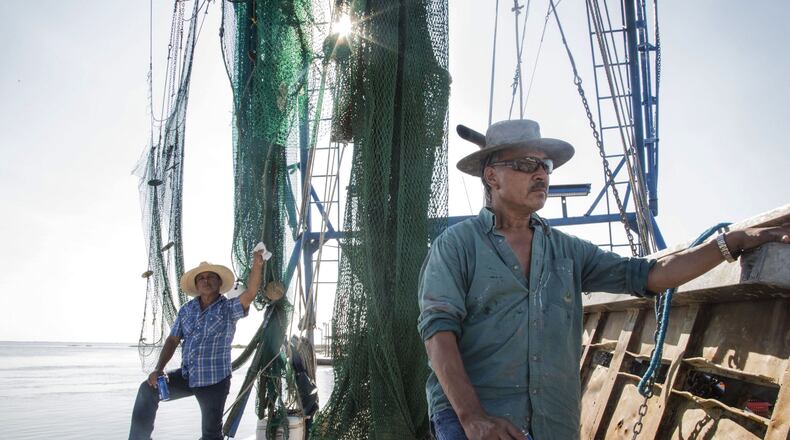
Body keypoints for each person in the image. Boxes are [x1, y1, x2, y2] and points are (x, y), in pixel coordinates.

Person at [416, 119, 790, 440]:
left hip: (553, 423)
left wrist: (732, 243)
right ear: (492, 176)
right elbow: (438, 332)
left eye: (545, 164)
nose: (542, 173)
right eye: (527, 164)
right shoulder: (457, 245)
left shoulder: (568, 252)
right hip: (476, 419)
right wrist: (472, 417)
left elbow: (651, 275)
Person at [129, 248, 266, 440]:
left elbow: (251, 292)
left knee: (211, 434)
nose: (206, 280)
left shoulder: (228, 308)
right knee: (147, 390)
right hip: (187, 376)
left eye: (211, 277)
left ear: (219, 283)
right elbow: (172, 339)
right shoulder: (187, 310)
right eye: (201, 278)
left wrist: (257, 265)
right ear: (196, 284)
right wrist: (159, 369)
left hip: (214, 381)